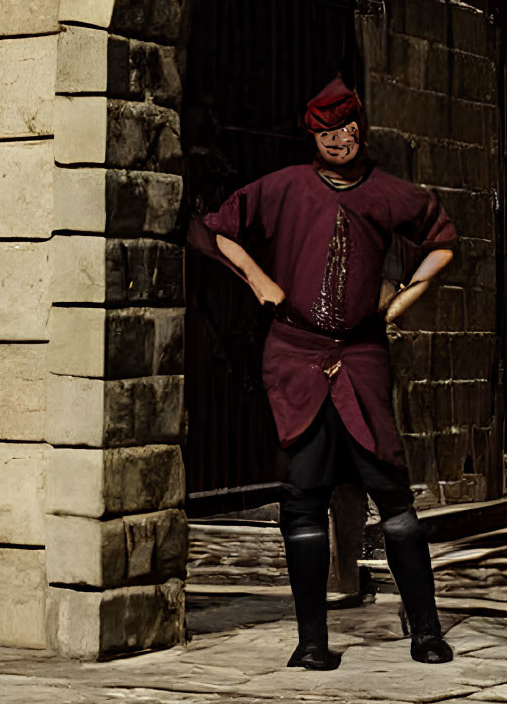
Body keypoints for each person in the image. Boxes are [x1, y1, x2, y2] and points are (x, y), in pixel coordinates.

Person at [190, 78, 457, 669]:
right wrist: (261, 283)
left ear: (361, 130)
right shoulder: (283, 187)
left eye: (347, 129)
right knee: (302, 495)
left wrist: (402, 299)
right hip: (294, 354)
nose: (338, 140)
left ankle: (427, 631)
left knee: (391, 492)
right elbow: (213, 229)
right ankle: (312, 640)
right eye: (326, 132)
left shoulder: (387, 191)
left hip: (361, 356)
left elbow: (441, 238)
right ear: (314, 136)